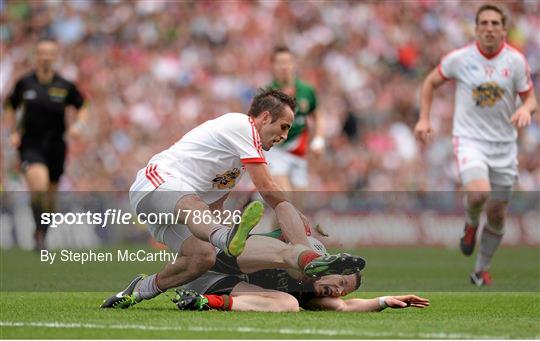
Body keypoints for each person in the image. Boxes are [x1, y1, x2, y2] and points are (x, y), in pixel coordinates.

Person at [102, 89, 363, 308]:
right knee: (197, 208)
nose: (284, 136)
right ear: (265, 117)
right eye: (283, 127)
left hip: (176, 212)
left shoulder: (237, 165)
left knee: (204, 257)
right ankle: (224, 237)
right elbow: (268, 189)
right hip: (155, 184)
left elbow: (216, 205)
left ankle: (140, 290)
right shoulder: (241, 126)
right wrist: (302, 250)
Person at [414, 4, 537, 286]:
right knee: (479, 194)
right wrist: (424, 118)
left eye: (496, 23)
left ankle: (481, 269)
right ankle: (470, 223)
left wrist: (526, 110)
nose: (490, 28)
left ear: (504, 29)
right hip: (470, 141)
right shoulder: (461, 58)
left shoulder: (516, 61)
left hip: (505, 146)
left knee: (497, 213)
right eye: (485, 23)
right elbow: (430, 82)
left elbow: (530, 98)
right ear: (477, 28)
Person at [171, 234, 428, 312]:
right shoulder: (306, 251)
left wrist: (385, 301)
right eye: (340, 281)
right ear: (330, 265)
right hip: (206, 264)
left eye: (343, 289)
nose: (338, 290)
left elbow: (345, 306)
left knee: (290, 303)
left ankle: (202, 303)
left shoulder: (310, 295)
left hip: (211, 286)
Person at [3, 39, 88, 250]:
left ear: (56, 56)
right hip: (31, 143)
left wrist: (78, 126)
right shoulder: (25, 83)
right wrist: (13, 132)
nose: (46, 57)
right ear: (36, 56)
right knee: (38, 186)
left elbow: (84, 105)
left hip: (56, 145)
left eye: (50, 53)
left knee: (50, 197)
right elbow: (9, 106)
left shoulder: (64, 85)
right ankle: (39, 233)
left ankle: (42, 232)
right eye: (42, 53)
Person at [265, 46, 325, 193]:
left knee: (297, 205)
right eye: (280, 62)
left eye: (288, 62)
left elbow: (317, 115)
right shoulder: (267, 93)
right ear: (273, 66)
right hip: (276, 150)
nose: (284, 66)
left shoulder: (306, 90)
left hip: (298, 150)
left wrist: (319, 139)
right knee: (286, 196)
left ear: (294, 64)